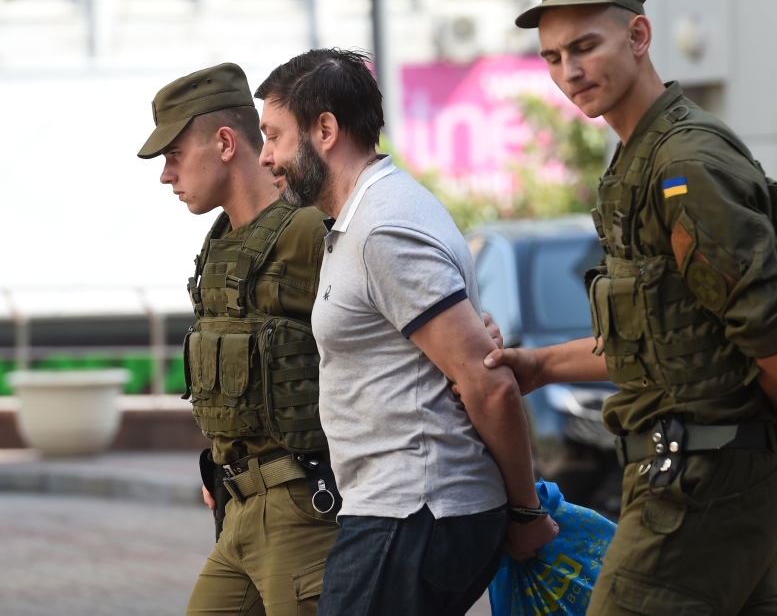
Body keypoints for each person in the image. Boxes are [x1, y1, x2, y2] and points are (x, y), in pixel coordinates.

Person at [483, 0, 777, 616]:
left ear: (639, 36)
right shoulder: (637, 161)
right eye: (553, 57)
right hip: (694, 476)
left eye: (585, 47)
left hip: (700, 482)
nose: (569, 71)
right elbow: (663, 343)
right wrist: (541, 364)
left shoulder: (683, 163)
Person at [254, 48, 559, 616]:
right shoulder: (369, 216)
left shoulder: (383, 228)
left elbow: (487, 383)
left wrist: (524, 512)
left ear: (325, 130)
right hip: (402, 508)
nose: (266, 156)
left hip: (414, 508)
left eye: (274, 136)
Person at [138, 63, 342, 616]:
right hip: (238, 508)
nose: (166, 175)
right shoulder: (221, 243)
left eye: (174, 155)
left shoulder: (307, 231)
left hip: (304, 509)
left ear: (225, 143)